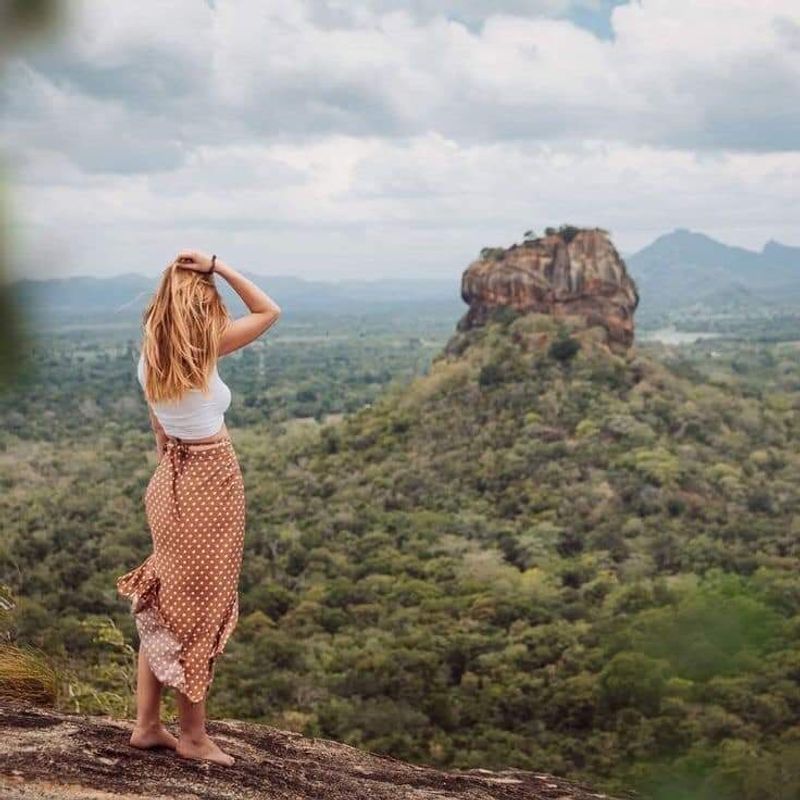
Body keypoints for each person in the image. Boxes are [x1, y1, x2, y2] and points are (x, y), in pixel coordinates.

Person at [116, 251, 281, 766]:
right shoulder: (202, 350)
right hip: (210, 480)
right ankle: (192, 735)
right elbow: (268, 311)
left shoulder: (151, 357)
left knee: (165, 607)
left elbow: (161, 434)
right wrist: (220, 266)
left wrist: (172, 477)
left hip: (171, 481)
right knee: (200, 610)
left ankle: (147, 725)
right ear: (199, 305)